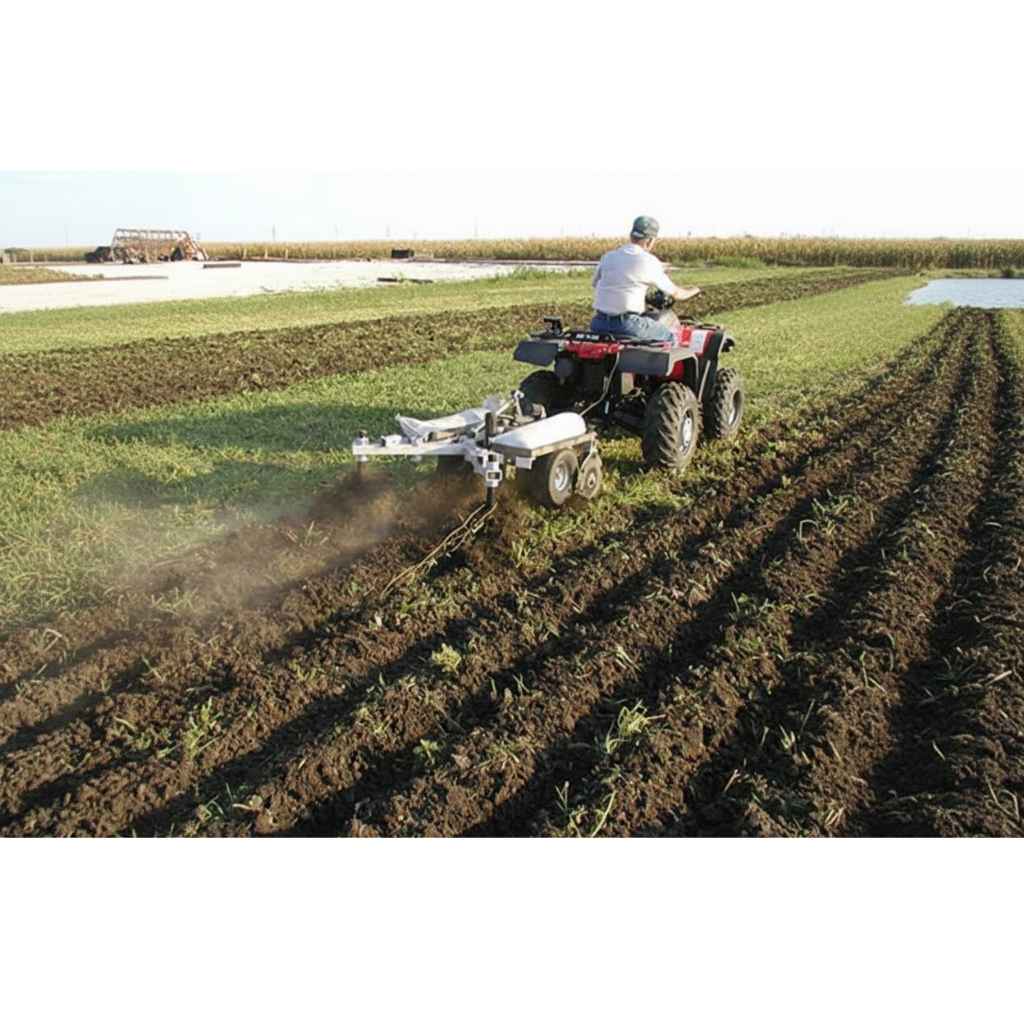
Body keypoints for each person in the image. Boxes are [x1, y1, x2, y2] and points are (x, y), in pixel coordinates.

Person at [590, 216, 701, 342]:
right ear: (650, 241)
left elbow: (595, 284)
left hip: (598, 323)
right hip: (628, 325)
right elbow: (676, 294)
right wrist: (694, 290)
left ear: (631, 235)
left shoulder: (608, 257)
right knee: (670, 336)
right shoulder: (648, 261)